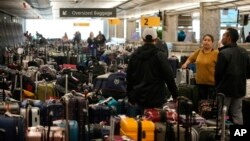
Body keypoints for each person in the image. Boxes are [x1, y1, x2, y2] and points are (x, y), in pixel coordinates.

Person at [126, 27, 178, 116]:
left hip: (138, 97)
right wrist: (175, 96)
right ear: (156, 39)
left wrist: (130, 97)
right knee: (154, 127)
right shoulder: (160, 55)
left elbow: (129, 77)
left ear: (143, 39)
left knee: (139, 126)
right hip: (156, 98)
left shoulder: (134, 56)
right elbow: (169, 77)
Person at [215, 27, 250, 125]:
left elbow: (218, 74)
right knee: (237, 113)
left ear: (228, 38)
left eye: (223, 35)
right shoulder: (244, 52)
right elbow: (248, 72)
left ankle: (223, 136)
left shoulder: (223, 53)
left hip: (225, 91)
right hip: (239, 90)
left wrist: (217, 88)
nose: (222, 38)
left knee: (223, 114)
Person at [181, 34, 219, 100]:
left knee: (210, 105)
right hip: (199, 83)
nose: (206, 42)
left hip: (212, 84)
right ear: (202, 42)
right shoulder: (199, 51)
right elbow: (191, 58)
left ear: (212, 43)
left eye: (209, 40)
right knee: (200, 103)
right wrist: (185, 64)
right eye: (205, 40)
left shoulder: (216, 53)